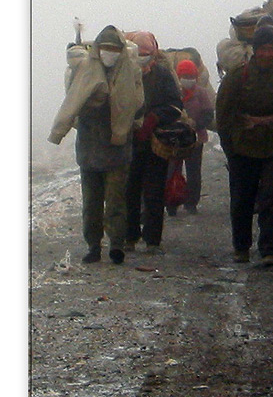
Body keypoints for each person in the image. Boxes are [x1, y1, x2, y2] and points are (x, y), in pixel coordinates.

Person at [48, 24, 143, 264]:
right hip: (90, 146)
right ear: (98, 49)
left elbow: (137, 103)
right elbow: (72, 103)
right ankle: (93, 245)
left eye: (114, 49)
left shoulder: (129, 71)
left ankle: (116, 244)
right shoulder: (84, 71)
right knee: (91, 202)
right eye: (106, 48)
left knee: (115, 201)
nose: (109, 53)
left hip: (118, 146)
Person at [215, 24, 273, 265]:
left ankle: (271, 250)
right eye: (262, 49)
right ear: (255, 49)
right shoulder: (238, 76)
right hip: (242, 148)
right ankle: (241, 247)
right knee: (242, 199)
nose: (267, 54)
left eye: (271, 49)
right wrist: (230, 148)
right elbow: (223, 115)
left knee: (272, 198)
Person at [123, 31, 183, 255]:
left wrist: (154, 119)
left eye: (146, 53)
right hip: (129, 143)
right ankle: (129, 236)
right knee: (129, 191)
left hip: (156, 144)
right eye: (139, 53)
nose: (142, 57)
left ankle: (152, 240)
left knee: (154, 192)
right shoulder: (125, 74)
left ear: (154, 53)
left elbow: (175, 105)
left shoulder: (163, 75)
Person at [166, 59, 215, 216]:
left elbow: (208, 114)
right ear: (179, 76)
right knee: (173, 171)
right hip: (175, 139)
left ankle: (191, 202)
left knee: (194, 172)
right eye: (185, 75)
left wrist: (197, 124)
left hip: (196, 138)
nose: (189, 79)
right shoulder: (172, 92)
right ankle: (172, 202)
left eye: (191, 75)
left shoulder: (201, 92)